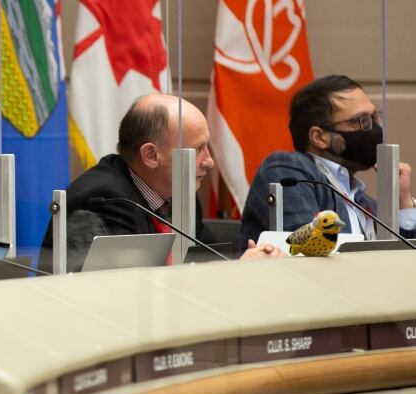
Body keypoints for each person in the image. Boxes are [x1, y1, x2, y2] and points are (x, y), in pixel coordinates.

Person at [39, 93, 281, 273]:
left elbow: (209, 258)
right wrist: (237, 273)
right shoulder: (103, 200)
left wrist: (247, 264)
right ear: (151, 155)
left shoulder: (179, 192)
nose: (209, 162)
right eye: (197, 150)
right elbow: (125, 292)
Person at [239, 75, 416, 249]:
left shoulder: (364, 202)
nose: (375, 129)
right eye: (361, 120)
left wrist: (402, 201)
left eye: (374, 118)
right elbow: (309, 253)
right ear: (319, 137)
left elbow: (406, 261)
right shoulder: (286, 170)